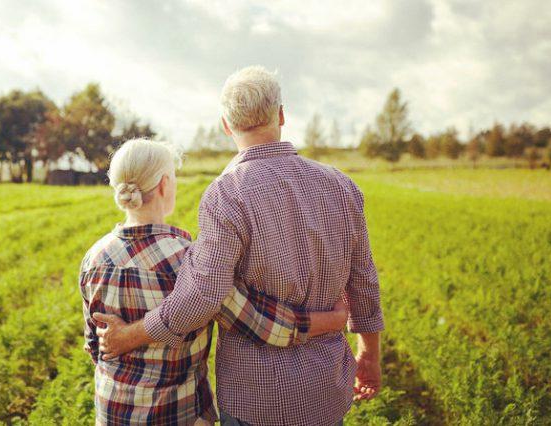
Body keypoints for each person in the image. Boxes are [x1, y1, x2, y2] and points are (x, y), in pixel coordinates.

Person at [96, 66, 385, 426]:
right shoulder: (341, 186)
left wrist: (129, 336)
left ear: (226, 126)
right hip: (326, 389)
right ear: (281, 115)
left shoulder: (226, 194)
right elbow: (364, 282)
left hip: (255, 397)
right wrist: (369, 355)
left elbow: (202, 297)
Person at [80, 138, 350, 425]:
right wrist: (332, 320)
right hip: (178, 414)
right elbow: (260, 323)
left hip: (111, 412)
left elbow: (95, 346)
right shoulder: (190, 260)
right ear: (162, 185)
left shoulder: (93, 258)